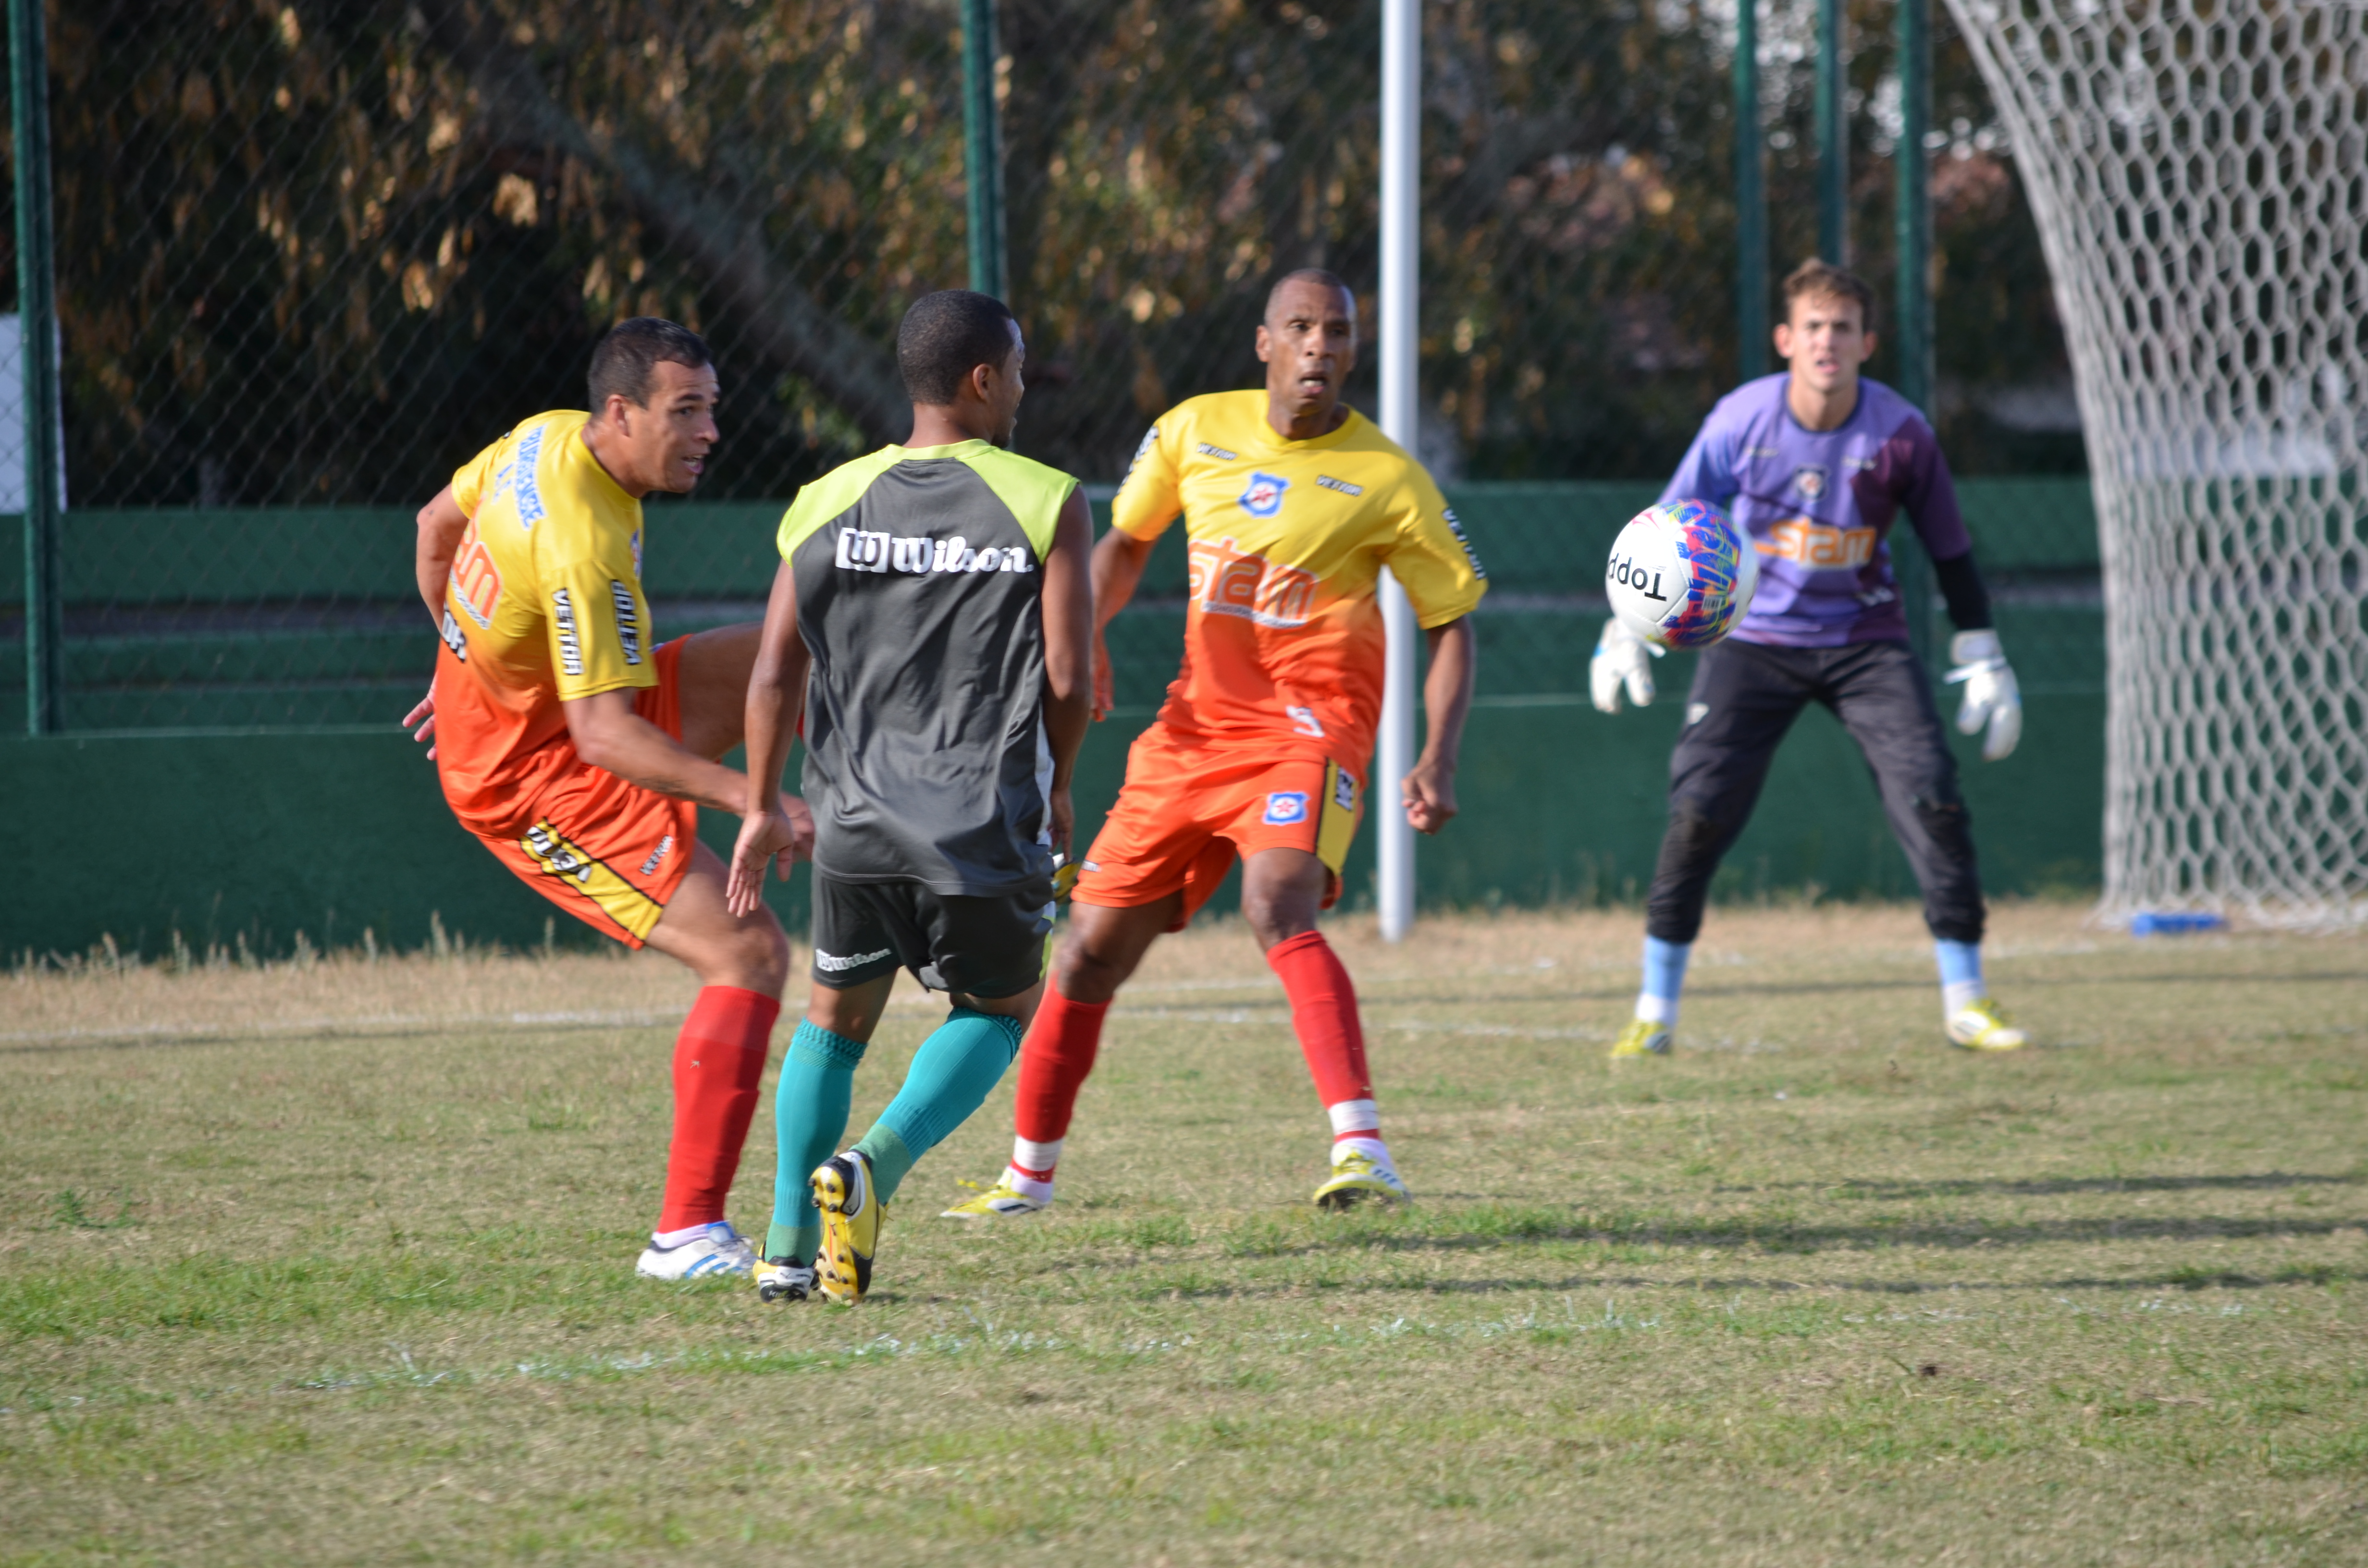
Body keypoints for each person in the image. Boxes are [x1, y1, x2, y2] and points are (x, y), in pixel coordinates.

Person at [941, 269, 1488, 1221]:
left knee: (1277, 903)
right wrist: (1091, 633)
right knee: (1084, 956)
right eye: (1303, 327)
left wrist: (1437, 755)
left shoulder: (1390, 478)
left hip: (1308, 731)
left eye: (1340, 332)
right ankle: (1026, 1178)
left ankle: (1362, 1152)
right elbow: (1125, 543)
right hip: (1191, 731)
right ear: (1264, 343)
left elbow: (1452, 622)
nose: (1322, 345)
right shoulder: (1194, 430)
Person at [406, 318, 808, 1280]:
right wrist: (752, 804)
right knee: (748, 951)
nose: (710, 431)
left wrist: (464, 665)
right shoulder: (586, 540)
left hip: (556, 717)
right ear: (620, 413)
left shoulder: (544, 434)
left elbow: (432, 529)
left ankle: (885, 849)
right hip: (532, 778)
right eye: (687, 412)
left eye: (713, 408)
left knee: (793, 649)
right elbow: (605, 741)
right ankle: (686, 1235)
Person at [728, 290, 1093, 1304]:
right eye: (1016, 370)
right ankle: (871, 1168)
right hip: (977, 822)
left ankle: (785, 1250)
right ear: (983, 381)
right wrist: (1061, 787)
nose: (1020, 389)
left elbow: (771, 674)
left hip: (849, 821)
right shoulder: (1046, 497)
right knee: (1002, 1007)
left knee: (830, 1024)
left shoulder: (822, 499)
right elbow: (1069, 676)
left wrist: (762, 805)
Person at [1590, 258, 2027, 1056]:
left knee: (1933, 794)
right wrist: (1623, 630)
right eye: (1815, 327)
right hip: (1752, 641)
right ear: (1786, 339)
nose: (1829, 342)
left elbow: (1951, 551)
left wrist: (1983, 649)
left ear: (1868, 343)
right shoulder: (1738, 422)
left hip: (1867, 641)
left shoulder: (1901, 434)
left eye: (1845, 329)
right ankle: (1655, 1009)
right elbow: (1665, 529)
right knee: (1697, 813)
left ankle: (1968, 1000)